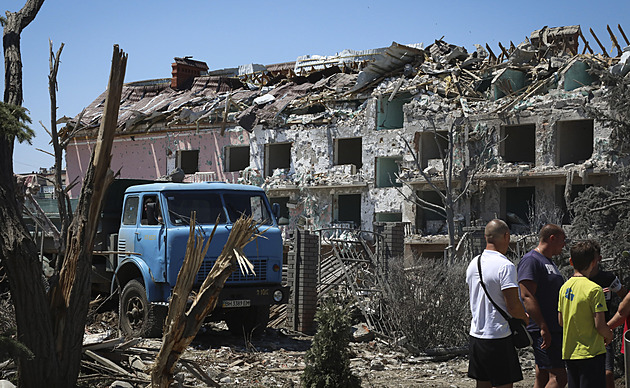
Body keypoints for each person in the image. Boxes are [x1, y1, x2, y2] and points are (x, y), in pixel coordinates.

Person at [466, 219, 529, 388]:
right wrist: (525, 318)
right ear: (506, 236)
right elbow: (513, 306)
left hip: (477, 333)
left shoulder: (474, 263)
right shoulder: (505, 266)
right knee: (504, 384)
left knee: (482, 383)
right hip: (498, 335)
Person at [558, 240, 613, 388]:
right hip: (591, 353)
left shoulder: (564, 288)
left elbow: (561, 321)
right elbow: (600, 325)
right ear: (594, 262)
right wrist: (609, 335)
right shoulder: (594, 290)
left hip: (570, 352)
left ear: (571, 261)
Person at [517, 224, 567, 388]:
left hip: (553, 327)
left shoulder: (549, 262)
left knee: (543, 374)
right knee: (559, 378)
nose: (564, 245)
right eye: (562, 240)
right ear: (552, 238)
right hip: (544, 329)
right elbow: (526, 295)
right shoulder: (531, 260)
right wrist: (543, 326)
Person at [588, 240, 627, 388]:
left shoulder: (608, 278)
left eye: (594, 256)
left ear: (599, 258)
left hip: (604, 330)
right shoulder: (580, 280)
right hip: (585, 331)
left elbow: (624, 295)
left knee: (607, 373)